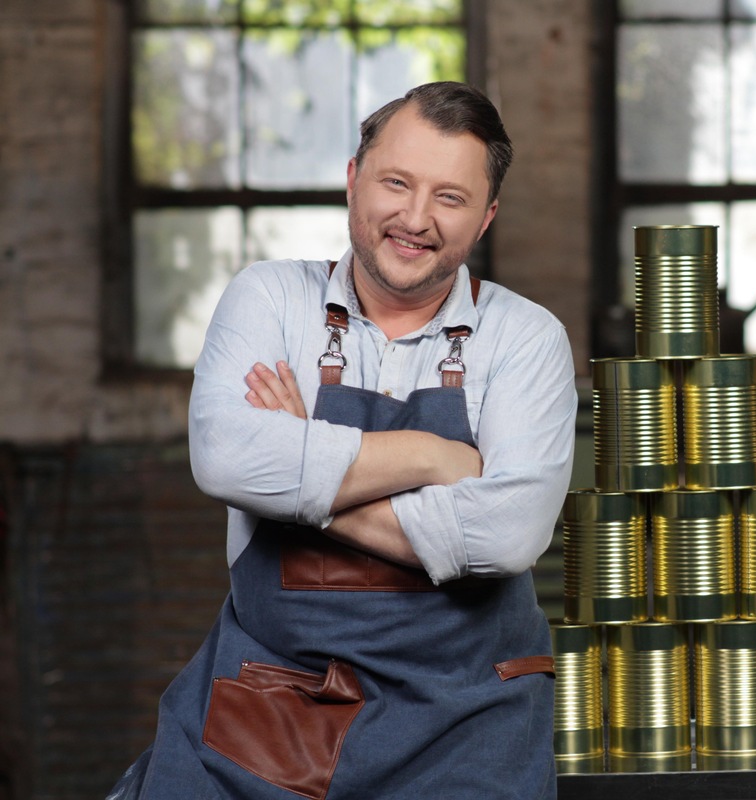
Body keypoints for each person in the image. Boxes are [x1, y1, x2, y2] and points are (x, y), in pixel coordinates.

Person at [108, 81, 577, 799]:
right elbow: (227, 457)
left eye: (449, 198)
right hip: (270, 711)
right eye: (396, 182)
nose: (415, 218)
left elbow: (508, 534)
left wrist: (301, 477)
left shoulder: (526, 338)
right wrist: (433, 458)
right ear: (355, 180)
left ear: (485, 219)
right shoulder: (270, 299)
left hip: (468, 725)